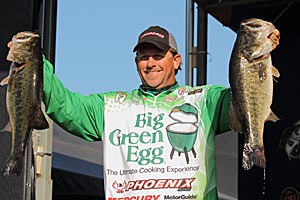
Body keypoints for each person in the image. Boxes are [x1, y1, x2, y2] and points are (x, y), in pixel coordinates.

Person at [43, 25, 231, 200]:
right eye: (143, 57)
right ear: (136, 62)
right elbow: (64, 105)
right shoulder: (113, 106)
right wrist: (34, 62)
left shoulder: (203, 100)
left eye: (157, 56)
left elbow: (245, 100)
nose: (150, 63)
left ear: (176, 61)